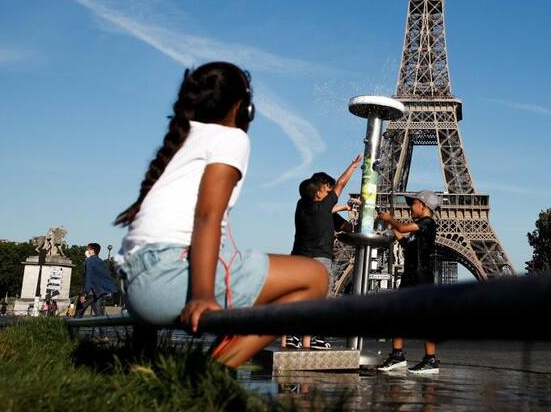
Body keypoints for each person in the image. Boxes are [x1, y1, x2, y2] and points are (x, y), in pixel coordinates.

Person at [114, 62, 327, 369]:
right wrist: (201, 296)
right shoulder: (231, 138)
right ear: (244, 107)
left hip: (136, 286)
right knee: (315, 278)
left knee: (251, 261)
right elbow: (206, 217)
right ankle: (213, 371)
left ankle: (161, 361)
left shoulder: (182, 141)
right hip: (168, 278)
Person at [283, 159, 362, 350]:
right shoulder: (325, 206)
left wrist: (345, 210)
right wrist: (352, 166)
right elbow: (341, 184)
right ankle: (316, 337)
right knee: (321, 298)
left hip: (298, 257)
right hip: (319, 259)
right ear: (319, 191)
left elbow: (343, 224)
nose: (330, 192)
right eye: (328, 189)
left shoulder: (301, 205)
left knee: (298, 297)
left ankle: (293, 336)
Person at [376, 190, 441, 374]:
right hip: (411, 275)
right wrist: (392, 225)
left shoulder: (427, 223)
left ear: (424, 205)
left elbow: (404, 228)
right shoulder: (418, 230)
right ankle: (397, 355)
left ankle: (431, 360)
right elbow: (405, 243)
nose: (410, 207)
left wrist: (390, 218)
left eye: (413, 204)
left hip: (421, 276)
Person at [76, 243, 118, 320]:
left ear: (92, 250)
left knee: (79, 312)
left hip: (90, 292)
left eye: (88, 249)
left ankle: (72, 331)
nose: (87, 250)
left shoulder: (89, 261)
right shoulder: (101, 261)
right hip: (99, 291)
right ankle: (103, 331)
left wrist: (84, 294)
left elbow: (88, 277)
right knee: (99, 314)